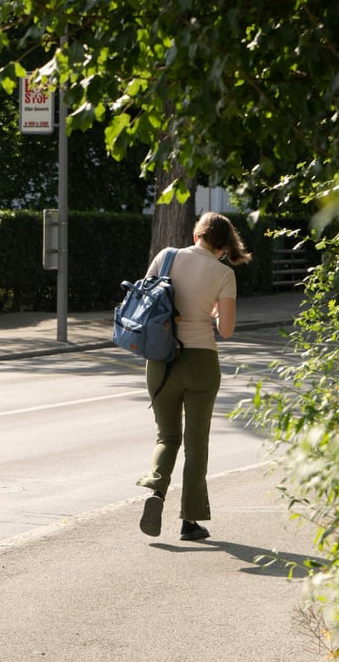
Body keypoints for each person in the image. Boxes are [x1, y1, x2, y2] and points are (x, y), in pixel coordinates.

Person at [137, 212, 252, 541]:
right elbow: (225, 330)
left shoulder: (166, 257)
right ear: (224, 244)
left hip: (161, 359)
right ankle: (190, 521)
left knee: (166, 437)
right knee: (196, 444)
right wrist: (214, 310)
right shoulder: (223, 273)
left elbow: (146, 302)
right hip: (201, 361)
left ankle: (156, 491)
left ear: (197, 234)